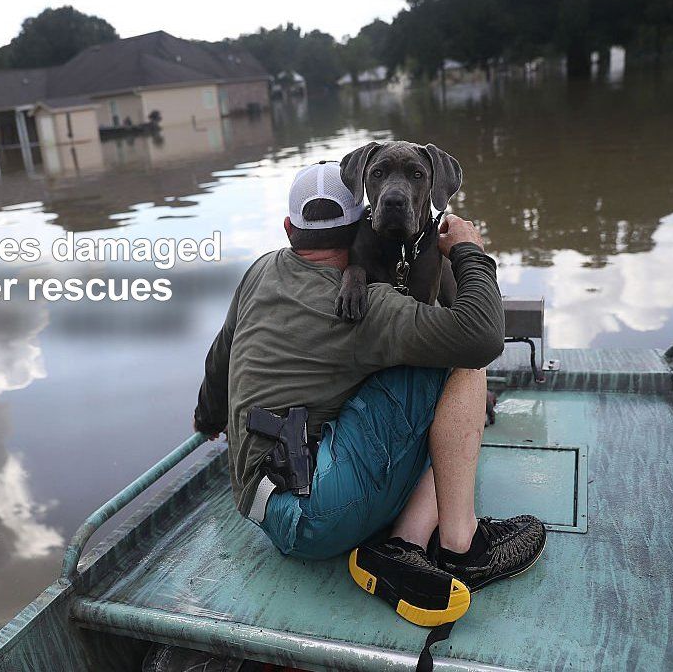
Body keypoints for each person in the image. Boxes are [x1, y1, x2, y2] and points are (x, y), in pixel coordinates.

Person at [193, 160, 545, 626]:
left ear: (287, 228)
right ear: (361, 223)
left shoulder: (260, 270)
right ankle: (459, 546)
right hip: (320, 516)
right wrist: (469, 251)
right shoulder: (365, 307)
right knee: (460, 360)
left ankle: (403, 542)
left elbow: (220, 360)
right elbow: (481, 336)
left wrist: (208, 420)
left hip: (260, 508)